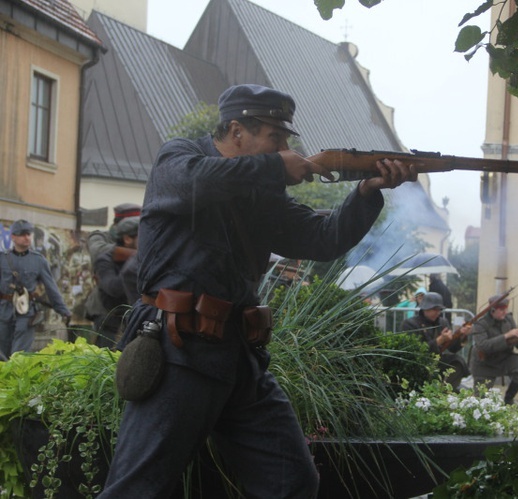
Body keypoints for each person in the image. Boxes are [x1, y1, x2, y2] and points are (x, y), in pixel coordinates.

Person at [99, 83, 417, 497]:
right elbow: (195, 182)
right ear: (236, 130)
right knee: (138, 489)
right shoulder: (179, 156)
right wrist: (273, 169)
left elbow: (322, 238)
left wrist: (365, 193)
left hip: (238, 356)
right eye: (275, 137)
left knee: (292, 482)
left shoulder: (261, 192)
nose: (285, 147)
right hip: (177, 349)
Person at [0, 220, 71, 358]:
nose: (27, 237)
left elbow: (51, 288)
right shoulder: (2, 259)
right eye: (22, 234)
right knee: (2, 354)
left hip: (26, 314)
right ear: (13, 237)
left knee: (19, 355)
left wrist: (63, 310)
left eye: (28, 234)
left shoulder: (39, 261)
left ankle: (17, 378)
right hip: (3, 312)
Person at [400, 292, 470, 391]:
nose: (437, 312)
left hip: (438, 362)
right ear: (424, 308)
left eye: (439, 310)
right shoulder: (410, 324)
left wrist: (461, 335)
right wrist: (439, 340)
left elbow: (452, 348)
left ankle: (444, 391)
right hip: (419, 364)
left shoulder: (442, 322)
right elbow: (415, 350)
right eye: (434, 309)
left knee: (458, 361)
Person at [469, 295, 518, 405]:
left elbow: (516, 342)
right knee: (480, 402)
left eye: (506, 309)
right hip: (484, 364)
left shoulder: (508, 319)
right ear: (492, 310)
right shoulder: (480, 324)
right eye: (501, 310)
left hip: (504, 358)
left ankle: (509, 399)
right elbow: (483, 346)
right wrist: (506, 336)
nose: (505, 312)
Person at [84, 203, 141, 322]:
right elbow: (97, 251)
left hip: (129, 309)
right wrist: (137, 255)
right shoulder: (99, 236)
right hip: (105, 310)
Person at [93, 216, 139, 346]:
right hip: (111, 324)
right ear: (127, 238)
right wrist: (134, 262)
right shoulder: (105, 259)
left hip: (132, 319)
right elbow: (113, 288)